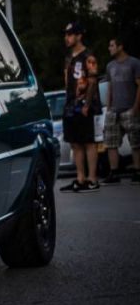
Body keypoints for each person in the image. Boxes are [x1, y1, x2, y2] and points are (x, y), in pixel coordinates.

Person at [59, 23, 102, 193]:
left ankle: (92, 179)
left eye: (70, 34)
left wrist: (87, 104)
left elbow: (92, 80)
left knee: (89, 142)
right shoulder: (69, 57)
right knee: (75, 143)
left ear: (79, 36)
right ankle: (80, 178)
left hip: (84, 105)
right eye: (66, 34)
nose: (67, 38)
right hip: (70, 105)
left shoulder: (88, 56)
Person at [101, 37, 140, 184]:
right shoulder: (110, 66)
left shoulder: (134, 63)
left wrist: (135, 108)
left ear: (120, 46)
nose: (109, 48)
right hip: (114, 111)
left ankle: (137, 171)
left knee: (135, 142)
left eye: (111, 45)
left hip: (130, 109)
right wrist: (109, 108)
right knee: (111, 142)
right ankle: (114, 173)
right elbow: (110, 87)